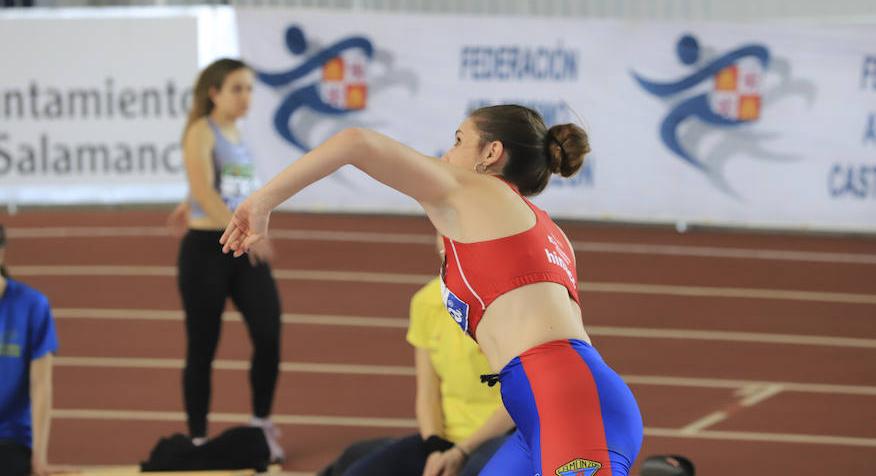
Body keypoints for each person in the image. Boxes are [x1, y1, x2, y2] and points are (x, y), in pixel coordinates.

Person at [220, 104, 644, 475]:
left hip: (569, 407)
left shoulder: (475, 192)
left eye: (459, 141)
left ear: (491, 153)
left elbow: (355, 142)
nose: (446, 154)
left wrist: (262, 200)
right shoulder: (547, 231)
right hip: (552, 409)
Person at [173, 58, 284, 463]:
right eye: (237, 88)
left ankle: (260, 425)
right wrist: (247, 234)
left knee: (269, 335)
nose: (246, 97)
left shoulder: (239, 133)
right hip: (207, 251)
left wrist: (185, 203)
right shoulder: (201, 132)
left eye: (250, 88)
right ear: (214, 93)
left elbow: (224, 185)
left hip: (240, 249)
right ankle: (199, 441)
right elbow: (205, 190)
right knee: (203, 347)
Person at [335, 273, 513, 476]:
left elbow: (521, 398)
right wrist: (435, 446)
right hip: (445, 441)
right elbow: (428, 393)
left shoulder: (507, 304)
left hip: (502, 436)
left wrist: (462, 450)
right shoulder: (426, 301)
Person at [0, 224, 75, 476]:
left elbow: (41, 386)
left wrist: (38, 460)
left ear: (1, 253)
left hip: (9, 439)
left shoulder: (32, 305)